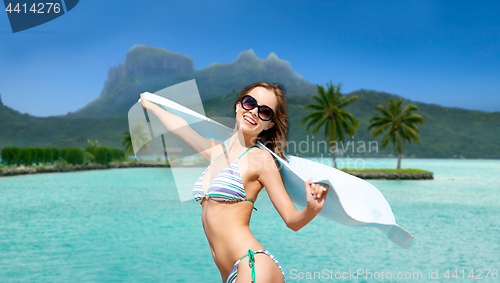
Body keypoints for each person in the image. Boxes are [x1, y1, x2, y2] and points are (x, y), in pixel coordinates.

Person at [140, 82, 329, 283]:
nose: (254, 112)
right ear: (238, 105)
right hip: (229, 273)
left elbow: (292, 220)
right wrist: (150, 105)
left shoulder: (261, 160)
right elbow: (179, 127)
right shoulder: (216, 152)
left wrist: (312, 208)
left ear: (270, 124)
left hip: (252, 265)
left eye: (265, 112)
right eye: (250, 103)